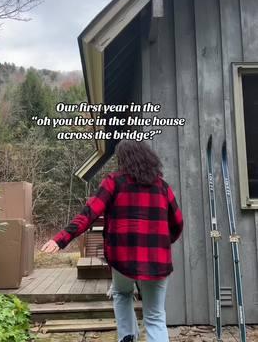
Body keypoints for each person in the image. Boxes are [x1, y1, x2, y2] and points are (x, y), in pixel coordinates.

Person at [41, 139, 183, 342]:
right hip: (156, 261)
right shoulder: (163, 187)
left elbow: (88, 214)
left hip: (122, 259)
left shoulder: (114, 182)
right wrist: (162, 244)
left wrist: (61, 239)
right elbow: (177, 222)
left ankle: (127, 337)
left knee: (122, 294)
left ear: (124, 160)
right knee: (155, 316)